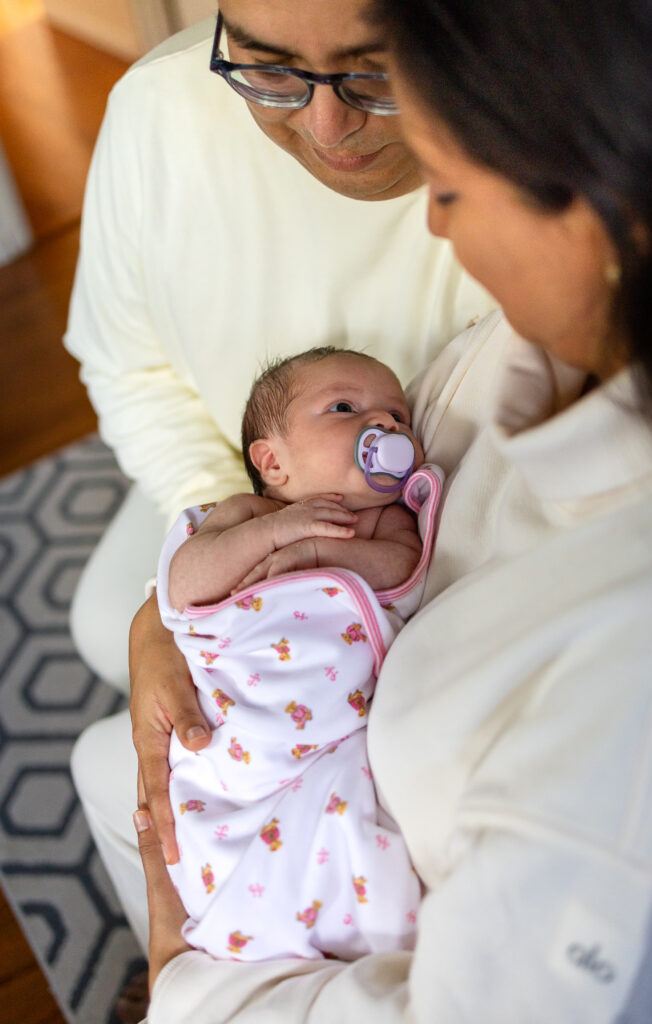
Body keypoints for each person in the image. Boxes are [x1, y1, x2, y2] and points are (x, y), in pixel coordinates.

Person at [127, 0, 652, 1020]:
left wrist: (180, 976)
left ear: (606, 205)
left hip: (307, 905)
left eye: (452, 185)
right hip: (267, 749)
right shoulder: (523, 346)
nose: (430, 218)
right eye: (266, 66)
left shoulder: (638, 697)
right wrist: (169, 609)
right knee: (103, 771)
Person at [64, 0, 495, 696]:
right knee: (105, 626)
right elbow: (128, 365)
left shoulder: (551, 175)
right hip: (240, 495)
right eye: (268, 70)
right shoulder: (157, 112)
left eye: (377, 74)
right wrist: (235, 530)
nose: (328, 127)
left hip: (460, 567)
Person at [158, 346, 442, 961]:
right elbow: (185, 586)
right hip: (246, 739)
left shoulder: (387, 521)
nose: (386, 426)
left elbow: (401, 572)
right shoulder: (244, 515)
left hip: (340, 737)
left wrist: (321, 554)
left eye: (398, 415)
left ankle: (340, 928)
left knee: (353, 831)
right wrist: (277, 532)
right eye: (345, 407)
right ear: (273, 461)